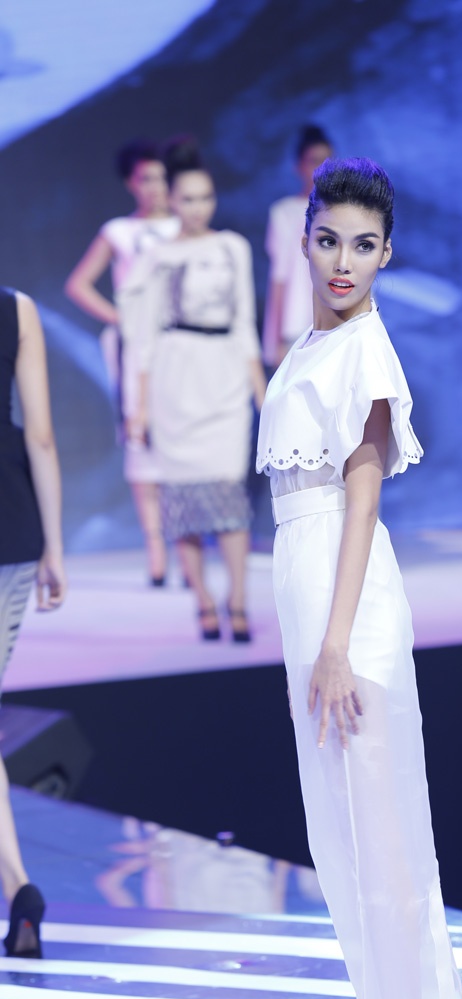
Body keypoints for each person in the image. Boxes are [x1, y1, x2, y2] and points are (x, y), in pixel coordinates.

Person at [256, 158, 462, 999]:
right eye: (330, 239)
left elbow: (362, 495)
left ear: (388, 255)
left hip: (348, 610)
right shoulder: (314, 344)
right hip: (312, 600)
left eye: (365, 245)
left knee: (381, 854)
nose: (345, 260)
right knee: (349, 851)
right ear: (304, 240)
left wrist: (337, 644)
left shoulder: (366, 350)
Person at [130, 138, 266, 642]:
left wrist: (261, 392)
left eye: (206, 197)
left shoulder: (233, 247)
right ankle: (203, 600)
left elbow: (246, 325)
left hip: (225, 379)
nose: (198, 207)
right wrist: (140, 408)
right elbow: (143, 340)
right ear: (171, 200)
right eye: (188, 198)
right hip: (174, 380)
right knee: (183, 501)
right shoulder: (156, 256)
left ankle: (238, 598)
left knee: (229, 497)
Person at [65, 139, 180, 585]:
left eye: (160, 178)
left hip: (181, 344)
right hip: (135, 347)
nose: (155, 187)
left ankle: (183, 540)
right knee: (140, 440)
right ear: (131, 183)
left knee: (183, 438)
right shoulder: (118, 231)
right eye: (145, 179)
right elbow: (79, 284)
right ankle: (156, 549)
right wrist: (121, 318)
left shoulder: (183, 226)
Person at [0, 287, 67, 957]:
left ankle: (19, 884)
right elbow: (40, 436)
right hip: (11, 528)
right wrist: (55, 545)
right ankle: (18, 886)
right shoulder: (15, 307)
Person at [261, 124, 334, 368]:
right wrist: (274, 341)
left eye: (328, 161)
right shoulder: (284, 212)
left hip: (337, 327)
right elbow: (279, 277)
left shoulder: (345, 212)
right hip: (295, 328)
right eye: (314, 161)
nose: (322, 169)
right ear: (299, 166)